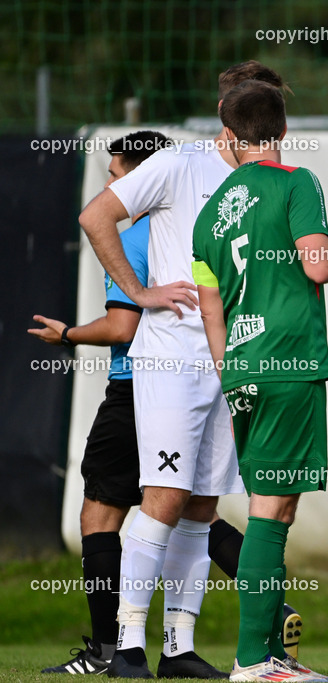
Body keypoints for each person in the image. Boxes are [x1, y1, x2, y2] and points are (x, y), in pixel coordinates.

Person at [78, 60, 288, 679]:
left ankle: (178, 649)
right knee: (164, 498)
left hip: (234, 363)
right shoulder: (178, 165)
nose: (265, 130)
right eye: (253, 115)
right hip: (172, 360)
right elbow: (96, 217)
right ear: (227, 118)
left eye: (272, 117)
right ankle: (125, 646)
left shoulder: (275, 180)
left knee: (201, 505)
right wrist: (138, 293)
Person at [193, 78, 328, 683]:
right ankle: (255, 660)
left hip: (244, 368)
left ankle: (263, 657)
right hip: (289, 361)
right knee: (272, 511)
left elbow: (211, 308)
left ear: (228, 136)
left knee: (270, 508)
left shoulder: (210, 212)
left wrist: (231, 374)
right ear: (283, 131)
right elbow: (317, 264)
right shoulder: (296, 182)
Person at [30, 131, 169, 675]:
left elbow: (121, 325)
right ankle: (272, 607)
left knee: (100, 513)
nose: (111, 185)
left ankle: (107, 650)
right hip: (189, 388)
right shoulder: (192, 230)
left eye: (116, 176)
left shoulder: (133, 239)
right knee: (184, 510)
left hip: (135, 390)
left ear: (138, 179)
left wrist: (66, 335)